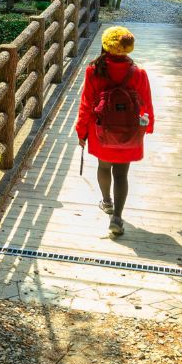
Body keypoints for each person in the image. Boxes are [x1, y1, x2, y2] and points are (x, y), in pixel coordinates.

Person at [76, 26, 154, 238]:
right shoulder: (138, 73)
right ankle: (117, 218)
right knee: (121, 174)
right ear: (128, 48)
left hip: (101, 130)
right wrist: (147, 128)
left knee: (103, 166)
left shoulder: (94, 70)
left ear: (105, 45)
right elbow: (146, 103)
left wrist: (81, 131)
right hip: (128, 132)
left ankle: (107, 202)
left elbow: (86, 104)